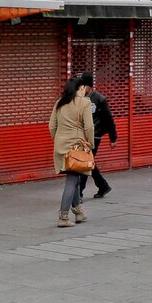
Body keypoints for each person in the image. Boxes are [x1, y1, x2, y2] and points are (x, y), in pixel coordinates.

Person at [49, 74, 98, 228]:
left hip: (60, 145)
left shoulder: (60, 102)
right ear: (81, 88)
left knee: (75, 177)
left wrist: (57, 140)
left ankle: (78, 212)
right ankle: (63, 216)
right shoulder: (84, 103)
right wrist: (90, 144)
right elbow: (89, 127)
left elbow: (51, 126)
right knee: (72, 180)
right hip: (76, 147)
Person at [85, 77, 119, 200]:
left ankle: (79, 192)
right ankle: (103, 185)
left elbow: (109, 119)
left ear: (89, 86)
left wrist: (113, 138)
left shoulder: (99, 99)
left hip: (95, 135)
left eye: (84, 86)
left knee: (86, 162)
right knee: (88, 162)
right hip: (84, 136)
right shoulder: (80, 99)